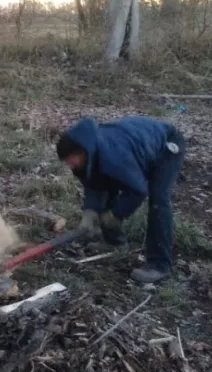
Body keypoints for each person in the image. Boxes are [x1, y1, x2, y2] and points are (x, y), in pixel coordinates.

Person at [56, 116, 186, 284]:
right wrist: (90, 211)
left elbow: (138, 190)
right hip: (134, 147)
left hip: (166, 146)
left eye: (70, 160)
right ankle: (114, 242)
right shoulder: (89, 153)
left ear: (80, 152)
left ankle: (159, 265)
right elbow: (94, 184)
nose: (69, 165)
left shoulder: (113, 156)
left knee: (158, 200)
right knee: (107, 185)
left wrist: (116, 214)